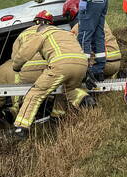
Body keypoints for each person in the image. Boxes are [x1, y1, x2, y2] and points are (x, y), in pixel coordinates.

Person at [10, 10, 92, 140]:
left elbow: (25, 53)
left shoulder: (42, 33)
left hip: (61, 65)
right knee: (68, 89)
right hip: (81, 65)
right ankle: (84, 99)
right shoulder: (66, 33)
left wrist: (16, 66)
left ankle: (21, 127)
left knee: (36, 93)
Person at [64, 0, 122, 79]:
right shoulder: (99, 20)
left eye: (67, 16)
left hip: (104, 63)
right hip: (116, 62)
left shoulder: (78, 27)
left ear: (72, 13)